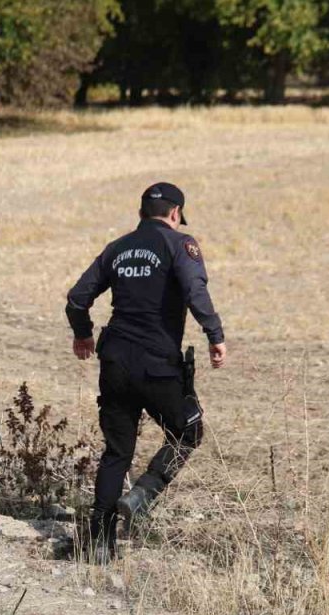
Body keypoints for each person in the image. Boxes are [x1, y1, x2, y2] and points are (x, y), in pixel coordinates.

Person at [65, 182, 227, 563]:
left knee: (117, 452)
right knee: (188, 431)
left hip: (115, 362)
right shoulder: (180, 244)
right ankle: (143, 493)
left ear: (141, 214)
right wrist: (215, 335)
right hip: (157, 365)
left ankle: (99, 545)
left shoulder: (117, 248)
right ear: (175, 214)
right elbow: (195, 290)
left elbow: (76, 299)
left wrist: (83, 334)